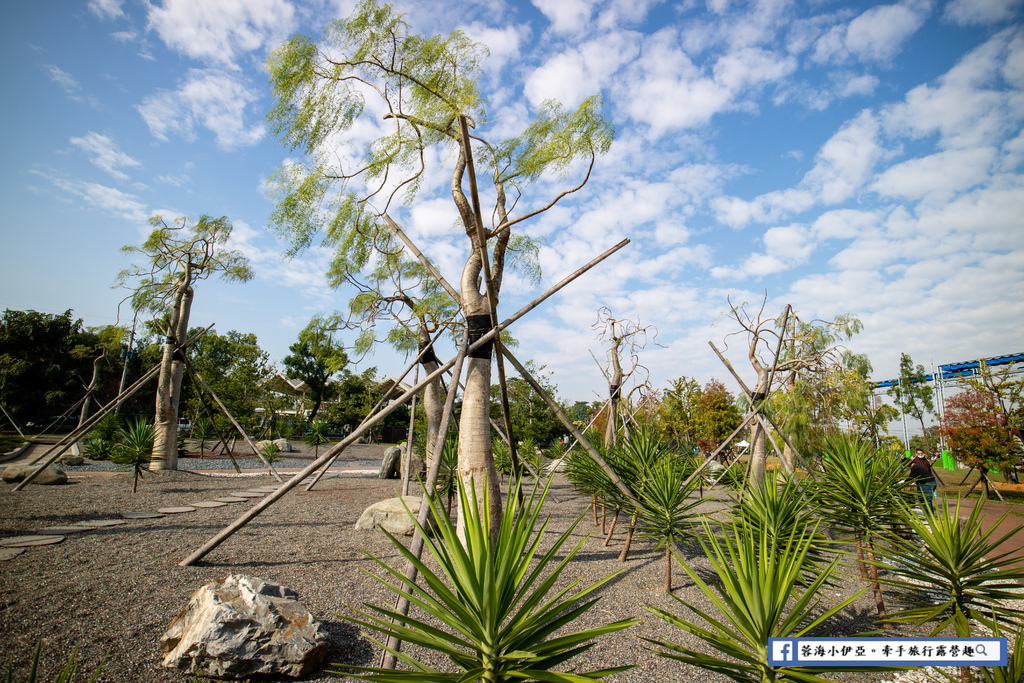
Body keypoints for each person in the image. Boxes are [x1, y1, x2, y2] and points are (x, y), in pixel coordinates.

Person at [907, 448, 937, 515]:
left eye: (921, 453)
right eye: (919, 454)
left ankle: (929, 516)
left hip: (928, 481)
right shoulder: (915, 461)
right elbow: (913, 474)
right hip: (921, 482)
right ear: (916, 454)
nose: (920, 455)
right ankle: (927, 513)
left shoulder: (925, 460)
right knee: (922, 499)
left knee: (927, 499)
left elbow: (928, 469)